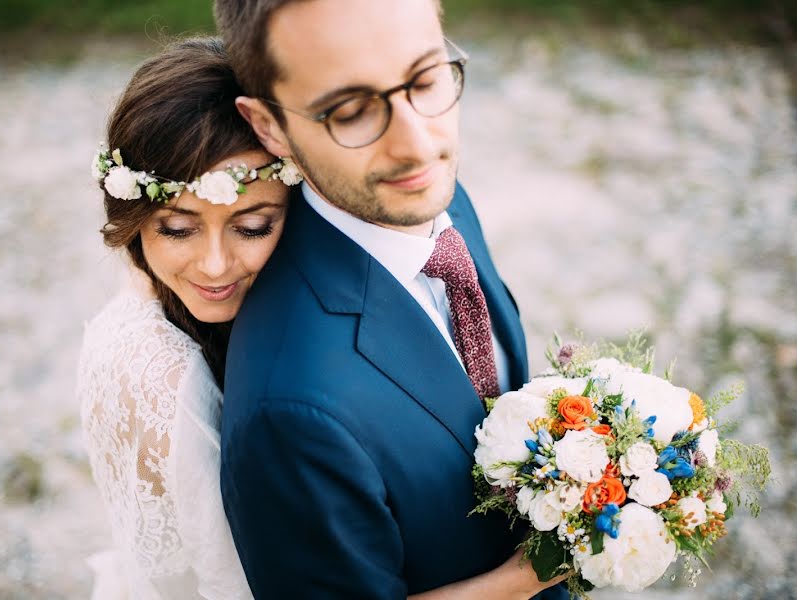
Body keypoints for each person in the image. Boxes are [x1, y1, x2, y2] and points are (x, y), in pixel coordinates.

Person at [214, 0, 569, 598]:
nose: (416, 144)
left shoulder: (428, 197)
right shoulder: (289, 411)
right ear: (269, 126)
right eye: (351, 111)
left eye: (427, 79)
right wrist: (536, 575)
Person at [76, 37, 301, 600]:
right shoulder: (165, 378)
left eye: (253, 227)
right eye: (178, 229)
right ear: (133, 216)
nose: (217, 265)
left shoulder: (161, 292)